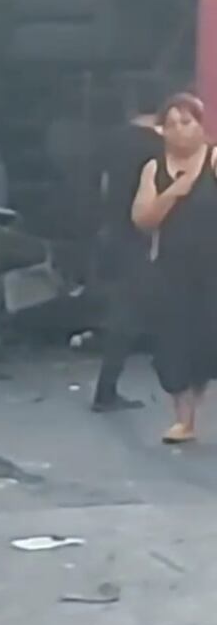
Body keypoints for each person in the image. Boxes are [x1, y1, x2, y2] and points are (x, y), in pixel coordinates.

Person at [132, 92, 217, 443]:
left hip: (213, 269)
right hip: (173, 271)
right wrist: (174, 191)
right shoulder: (155, 169)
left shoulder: (213, 159)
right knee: (175, 344)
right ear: (161, 131)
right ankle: (184, 421)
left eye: (187, 122)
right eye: (172, 124)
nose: (180, 131)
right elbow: (142, 219)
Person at [92, 86, 163, 412]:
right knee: (129, 313)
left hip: (116, 232)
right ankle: (105, 392)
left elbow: (104, 186)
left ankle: (107, 389)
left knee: (128, 308)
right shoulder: (157, 147)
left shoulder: (113, 139)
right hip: (146, 236)